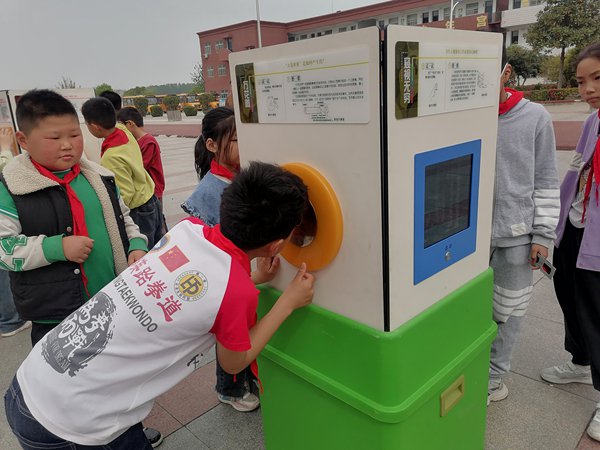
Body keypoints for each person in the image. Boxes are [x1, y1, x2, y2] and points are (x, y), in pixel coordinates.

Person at [4, 161, 314, 450]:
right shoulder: (235, 291)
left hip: (34, 378)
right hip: (71, 424)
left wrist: (253, 278)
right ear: (276, 245)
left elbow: (192, 290)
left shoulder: (187, 230)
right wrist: (287, 303)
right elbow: (234, 363)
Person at [0, 89, 147, 342]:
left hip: (113, 300)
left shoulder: (101, 177)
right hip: (57, 317)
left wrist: (136, 243)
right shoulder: (11, 188)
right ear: (23, 140)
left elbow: (124, 218)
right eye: (54, 137)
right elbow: (4, 249)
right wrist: (56, 247)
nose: (67, 144)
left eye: (74, 134)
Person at [487, 58, 560, 404]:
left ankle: (492, 379)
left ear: (506, 72)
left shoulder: (535, 117)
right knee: (470, 310)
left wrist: (542, 236)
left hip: (517, 238)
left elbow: (546, 179)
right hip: (467, 241)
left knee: (508, 311)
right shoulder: (463, 118)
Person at [181, 107, 262, 411]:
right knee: (231, 335)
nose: (244, 145)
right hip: (225, 277)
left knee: (243, 332)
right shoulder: (210, 190)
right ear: (211, 145)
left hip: (243, 272)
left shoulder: (239, 177)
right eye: (237, 140)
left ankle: (246, 380)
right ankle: (229, 389)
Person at [540, 41, 600, 442]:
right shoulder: (593, 122)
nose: (587, 89)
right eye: (580, 81)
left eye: (597, 78)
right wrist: (555, 223)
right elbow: (576, 172)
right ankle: (580, 361)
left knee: (596, 310)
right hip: (576, 224)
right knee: (569, 295)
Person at [82, 97, 163, 249]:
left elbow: (126, 194)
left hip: (139, 210)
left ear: (94, 126)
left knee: (144, 253)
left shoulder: (112, 156)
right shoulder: (123, 130)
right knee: (159, 248)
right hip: (150, 198)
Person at [117, 107, 167, 232]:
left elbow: (138, 167)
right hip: (145, 191)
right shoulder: (136, 141)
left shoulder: (148, 142)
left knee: (156, 223)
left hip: (153, 190)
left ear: (130, 124)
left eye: (121, 126)